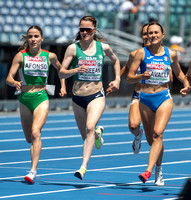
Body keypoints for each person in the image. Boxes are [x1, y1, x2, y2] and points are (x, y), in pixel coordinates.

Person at [127, 22, 190, 185]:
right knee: (151, 140)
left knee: (158, 134)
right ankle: (159, 168)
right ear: (146, 36)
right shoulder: (141, 53)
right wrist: (141, 76)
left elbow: (179, 73)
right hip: (145, 99)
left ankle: (150, 171)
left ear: (163, 35)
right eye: (150, 33)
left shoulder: (172, 54)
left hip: (163, 97)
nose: (153, 35)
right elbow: (129, 77)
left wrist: (186, 84)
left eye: (156, 32)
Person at [59, 16, 120, 180]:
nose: (85, 32)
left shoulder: (103, 47)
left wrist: (117, 79)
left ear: (94, 30)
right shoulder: (73, 48)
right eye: (82, 29)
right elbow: (61, 72)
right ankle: (98, 134)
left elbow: (116, 61)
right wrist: (76, 70)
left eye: (88, 30)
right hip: (78, 97)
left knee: (89, 128)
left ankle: (83, 168)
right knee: (87, 137)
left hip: (96, 95)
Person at [6, 25, 66, 184]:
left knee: (35, 133)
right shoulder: (20, 56)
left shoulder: (50, 56)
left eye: (36, 36)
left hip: (41, 97)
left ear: (42, 39)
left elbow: (62, 71)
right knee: (28, 139)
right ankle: (33, 167)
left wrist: (64, 86)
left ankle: (33, 171)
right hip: (24, 99)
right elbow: (9, 78)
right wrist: (14, 83)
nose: (33, 39)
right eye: (30, 36)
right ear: (27, 38)